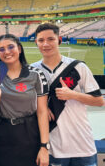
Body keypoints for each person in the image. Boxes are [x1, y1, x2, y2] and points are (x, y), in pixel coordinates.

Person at [32, 23, 104, 166]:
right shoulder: (32, 71)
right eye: (41, 40)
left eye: (50, 39)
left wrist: (73, 95)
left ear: (59, 40)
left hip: (83, 146)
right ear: (36, 43)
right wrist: (40, 106)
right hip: (53, 148)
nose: (45, 44)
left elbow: (99, 101)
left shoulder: (79, 67)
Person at [0, 34, 49, 166]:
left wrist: (44, 147)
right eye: (2, 49)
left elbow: (42, 111)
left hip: (30, 133)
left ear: (20, 49)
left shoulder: (36, 74)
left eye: (11, 47)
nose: (7, 52)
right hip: (3, 133)